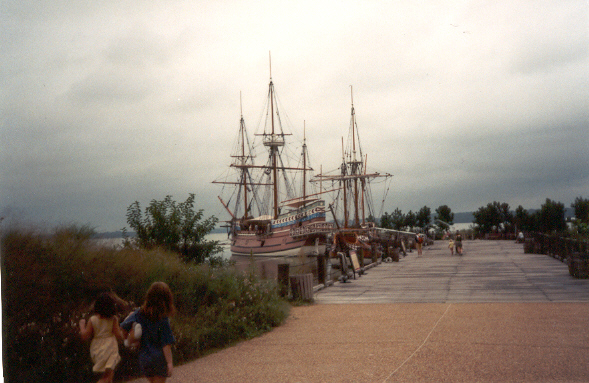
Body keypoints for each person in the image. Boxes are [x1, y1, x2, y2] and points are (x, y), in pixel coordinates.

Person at [121, 282, 176, 383]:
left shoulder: (138, 313)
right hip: (159, 358)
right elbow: (165, 344)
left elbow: (123, 327)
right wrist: (169, 363)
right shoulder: (162, 319)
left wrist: (128, 340)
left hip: (144, 359)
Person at [79, 292, 124, 383]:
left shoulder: (93, 320)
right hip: (110, 347)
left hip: (97, 348)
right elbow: (119, 335)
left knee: (107, 376)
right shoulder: (113, 319)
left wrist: (82, 326)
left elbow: (84, 336)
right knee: (108, 377)